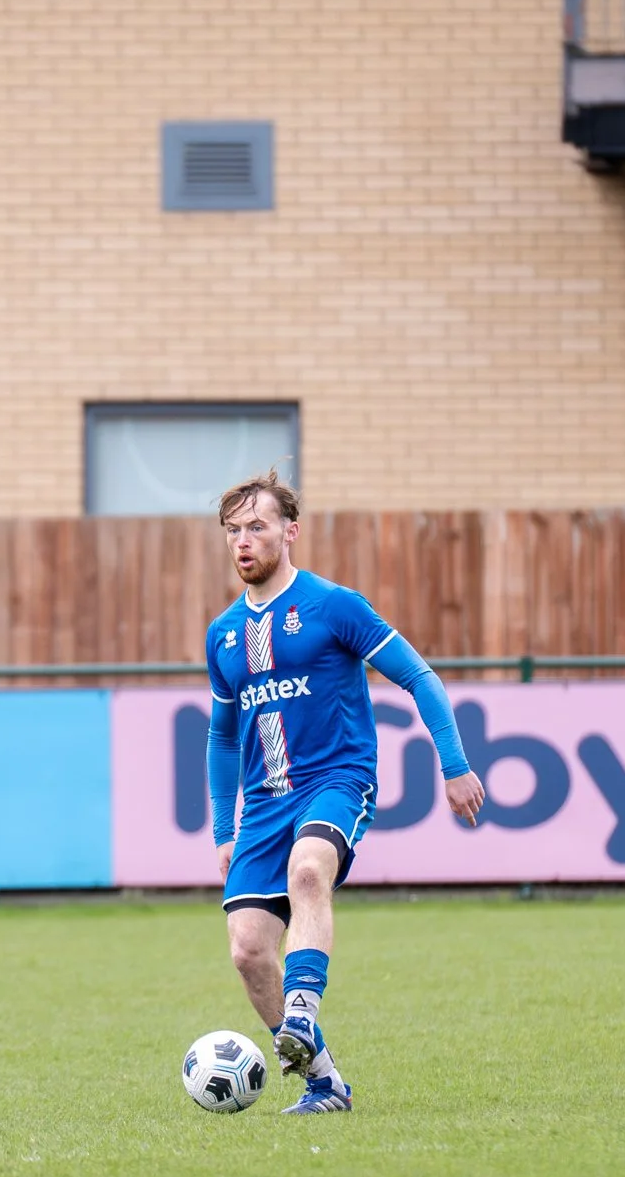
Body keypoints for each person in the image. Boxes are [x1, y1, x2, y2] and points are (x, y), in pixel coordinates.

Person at [204, 470, 485, 1114]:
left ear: (290, 531)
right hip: (265, 804)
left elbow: (418, 676)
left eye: (257, 527)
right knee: (248, 951)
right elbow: (222, 739)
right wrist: (225, 829)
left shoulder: (335, 606)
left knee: (309, 872)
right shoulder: (223, 634)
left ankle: (300, 1015)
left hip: (336, 780)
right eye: (233, 531)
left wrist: (455, 764)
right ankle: (325, 1083)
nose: (243, 541)